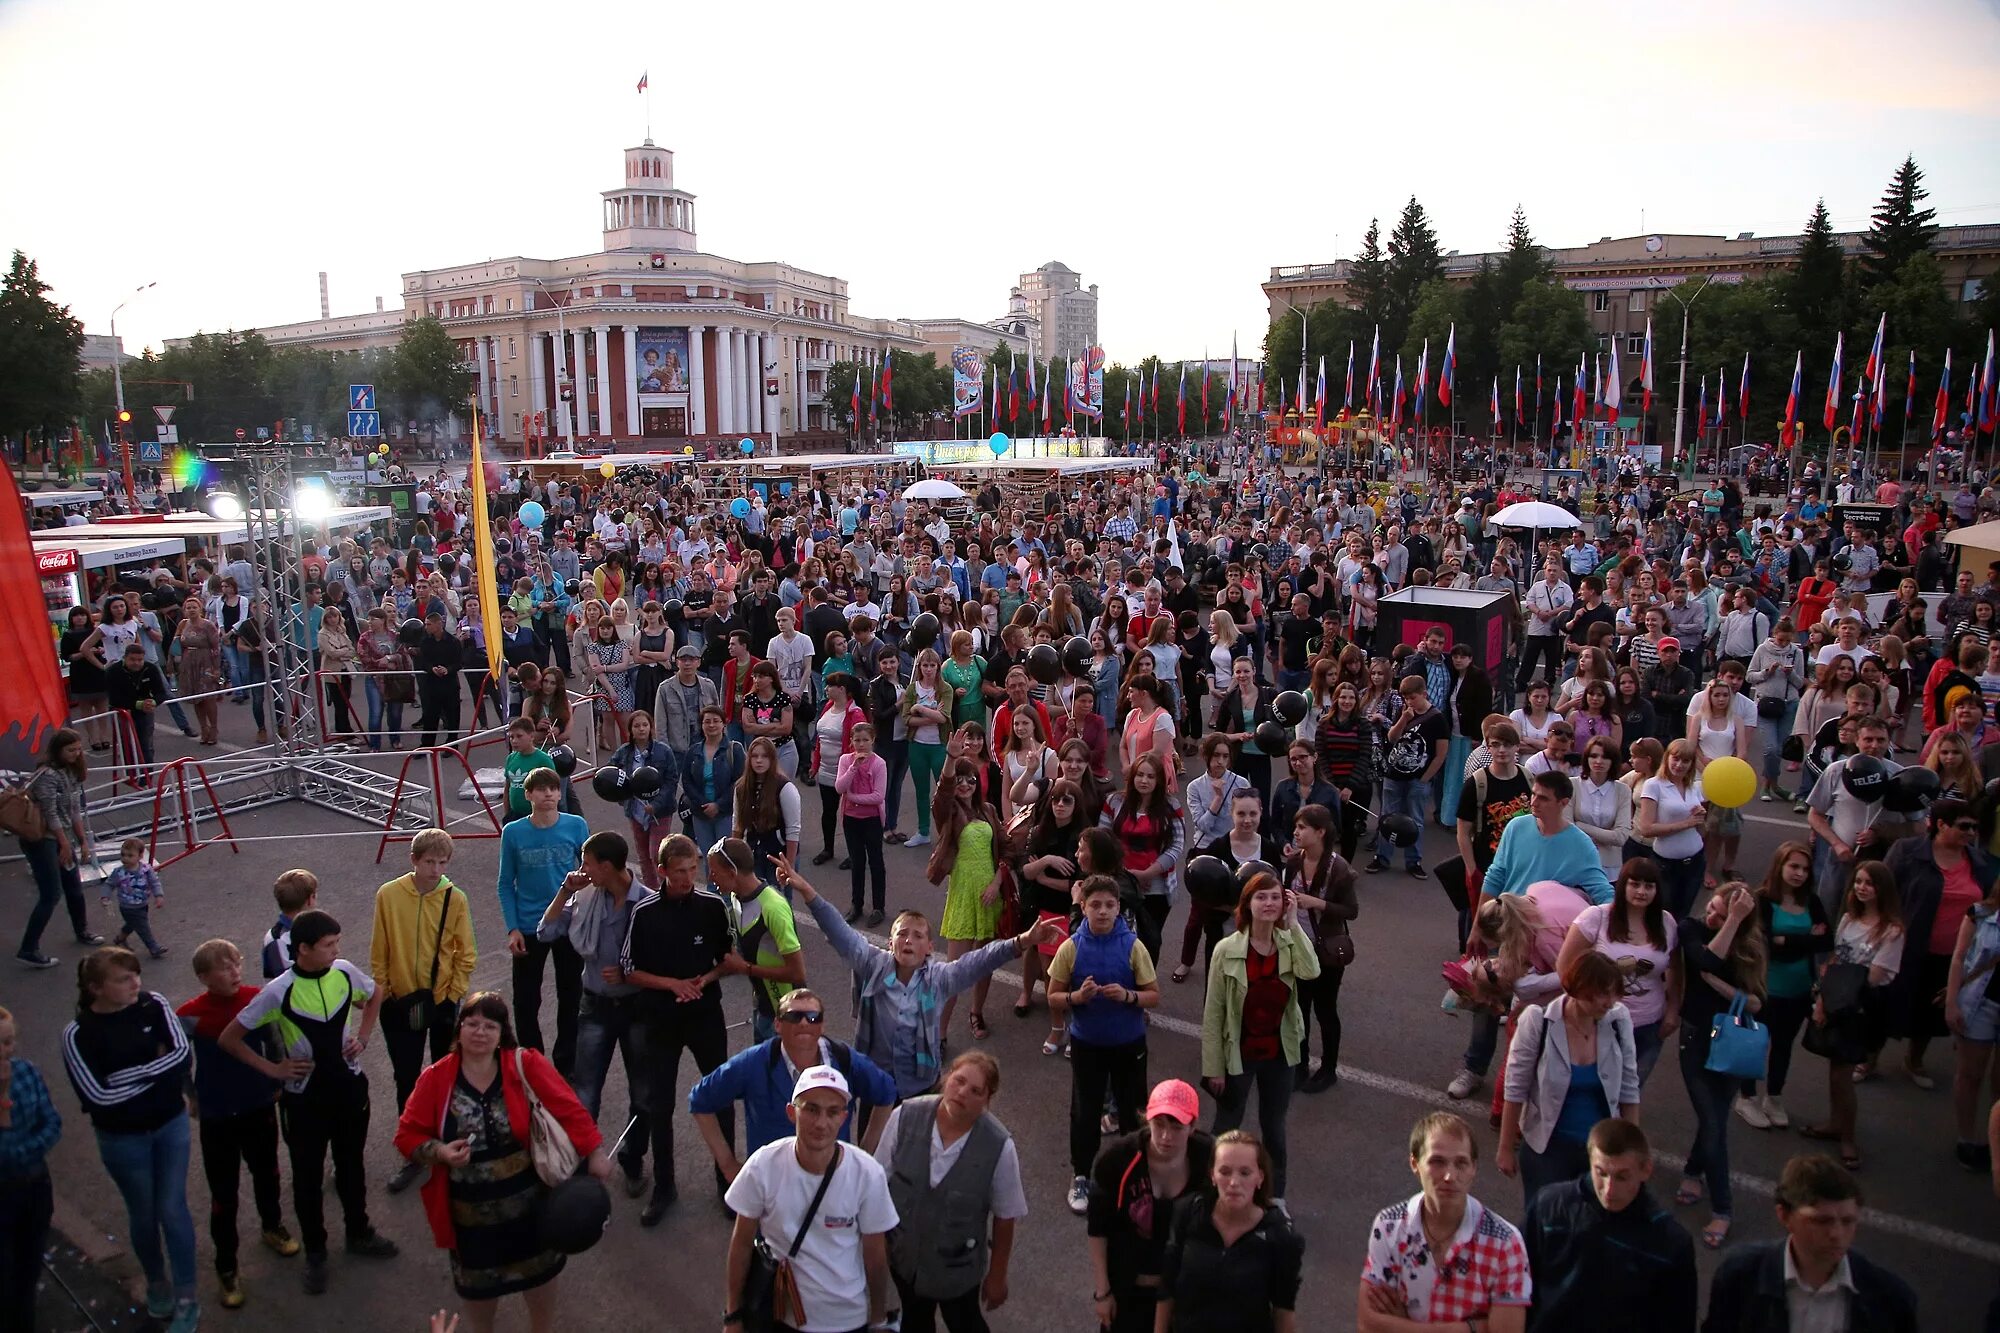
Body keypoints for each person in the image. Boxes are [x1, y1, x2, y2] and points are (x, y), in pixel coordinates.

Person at [393, 992, 611, 1333]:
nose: (480, 1032)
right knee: (479, 1299)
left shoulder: (525, 1064)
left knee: (539, 1282)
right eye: (472, 1024)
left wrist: (595, 1152)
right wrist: (440, 1152)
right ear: (459, 1029)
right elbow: (406, 1136)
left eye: (489, 1026)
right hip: (472, 1226)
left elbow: (569, 1108)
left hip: (532, 1213)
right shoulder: (435, 1079)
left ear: (501, 1033)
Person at [774, 851, 1063, 1102]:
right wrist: (807, 892)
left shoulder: (940, 978)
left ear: (929, 948)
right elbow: (840, 932)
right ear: (890, 943)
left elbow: (979, 961)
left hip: (922, 1088)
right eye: (901, 934)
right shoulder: (872, 964)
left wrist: (1023, 940)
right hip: (875, 1085)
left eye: (918, 935)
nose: (908, 940)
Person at [222, 910, 398, 1294]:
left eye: (337, 943)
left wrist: (364, 1037)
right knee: (307, 1177)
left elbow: (375, 993)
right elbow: (229, 1038)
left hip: (349, 1089)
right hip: (304, 1101)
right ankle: (316, 1252)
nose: (337, 950)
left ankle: (359, 1231)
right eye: (329, 945)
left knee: (351, 1166)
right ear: (303, 949)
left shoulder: (345, 972)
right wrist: (273, 1070)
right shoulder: (278, 990)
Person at [60, 948, 202, 1332]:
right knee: (143, 1212)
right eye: (123, 978)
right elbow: (96, 1097)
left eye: (135, 974)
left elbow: (180, 1056)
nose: (135, 983)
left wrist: (125, 1075)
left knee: (172, 1208)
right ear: (96, 988)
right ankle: (157, 1284)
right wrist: (153, 1074)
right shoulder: (79, 1033)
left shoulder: (152, 1006)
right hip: (122, 1140)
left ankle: (187, 1298)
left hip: (169, 1124)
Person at [722, 1065, 899, 1333]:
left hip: (847, 1320)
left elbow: (875, 1258)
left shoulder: (867, 1173)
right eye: (811, 1109)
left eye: (832, 1112)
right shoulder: (763, 1165)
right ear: (792, 1113)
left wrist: (877, 1321)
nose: (821, 1123)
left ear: (844, 1118)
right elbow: (742, 1243)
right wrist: (732, 1315)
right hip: (780, 1315)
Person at [176, 940, 298, 1311]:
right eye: (223, 968)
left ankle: (271, 1224)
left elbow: (275, 1042)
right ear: (202, 977)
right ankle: (226, 1266)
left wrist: (277, 1083)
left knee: (268, 1173)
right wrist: (191, 1096)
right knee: (223, 1194)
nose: (233, 973)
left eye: (236, 964)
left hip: (257, 1104)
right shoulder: (190, 1015)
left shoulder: (255, 999)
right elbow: (181, 1061)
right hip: (217, 1114)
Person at [620, 832, 734, 1225]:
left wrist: (703, 981)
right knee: (659, 1105)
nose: (688, 878)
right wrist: (672, 985)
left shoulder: (713, 907)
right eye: (680, 871)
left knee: (719, 1097)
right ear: (663, 871)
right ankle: (664, 1186)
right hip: (660, 1019)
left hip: (704, 1015)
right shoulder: (644, 913)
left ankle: (728, 1182)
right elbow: (629, 970)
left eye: (693, 869)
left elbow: (727, 959)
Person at [534, 828, 654, 1198]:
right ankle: (583, 1158)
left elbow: (665, 957)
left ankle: (633, 1160)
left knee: (642, 1093)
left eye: (587, 864)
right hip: (595, 1005)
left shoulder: (647, 904)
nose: (581, 871)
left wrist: (631, 971)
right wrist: (564, 891)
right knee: (585, 1090)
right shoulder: (584, 895)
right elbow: (546, 931)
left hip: (636, 1007)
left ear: (607, 866)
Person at [873, 1051, 1024, 1333]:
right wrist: (877, 1245)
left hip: (958, 1270)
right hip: (906, 1261)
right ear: (946, 1078)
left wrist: (997, 1275)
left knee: (965, 1323)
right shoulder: (904, 1116)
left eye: (976, 1090)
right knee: (916, 1322)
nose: (963, 1092)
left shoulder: (999, 1146)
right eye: (959, 1080)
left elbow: (1006, 1216)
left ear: (986, 1100)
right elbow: (878, 1183)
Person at [1200, 872, 1320, 1208]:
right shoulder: (1226, 950)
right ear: (1247, 904)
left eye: (1275, 897)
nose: (1269, 904)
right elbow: (1214, 1014)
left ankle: (1275, 1197)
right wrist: (1214, 1068)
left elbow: (1311, 971)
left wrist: (1294, 923)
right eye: (1260, 897)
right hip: (1239, 1053)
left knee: (1274, 1130)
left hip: (1280, 1053)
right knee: (1225, 1126)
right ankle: (1209, 1192)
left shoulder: (1288, 943)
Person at [690, 986, 897, 1177]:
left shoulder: (845, 1060)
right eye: (794, 1016)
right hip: (772, 1184)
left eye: (813, 1017)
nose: (805, 1022)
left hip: (830, 1181)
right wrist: (728, 1166)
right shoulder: (753, 1063)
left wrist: (865, 1156)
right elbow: (700, 1100)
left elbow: (886, 1092)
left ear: (822, 1025)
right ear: (777, 1025)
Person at [372, 827, 479, 1192]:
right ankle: (415, 1149)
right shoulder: (388, 895)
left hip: (442, 1003)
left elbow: (465, 952)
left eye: (442, 863)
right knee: (406, 1077)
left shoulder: (455, 898)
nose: (435, 870)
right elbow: (379, 948)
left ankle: (447, 1140)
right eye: (429, 862)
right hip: (398, 1003)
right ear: (413, 860)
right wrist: (386, 993)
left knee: (444, 1074)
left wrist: (452, 996)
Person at [1700, 1153, 1918, 1332]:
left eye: (1848, 1221)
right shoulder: (1740, 1275)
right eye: (1821, 1221)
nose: (1836, 1234)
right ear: (1784, 1216)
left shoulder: (1890, 1297)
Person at [1359, 1111, 1531, 1332]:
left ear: (1473, 1168)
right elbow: (1367, 1324)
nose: (1449, 1176)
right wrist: (1471, 1328)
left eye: (1460, 1163)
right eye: (1437, 1162)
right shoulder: (1388, 1225)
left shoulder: (1505, 1242)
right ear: (1414, 1163)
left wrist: (1401, 1325)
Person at [1050, 875, 1162, 1214]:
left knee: (1132, 1111)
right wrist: (1076, 997)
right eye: (1095, 905)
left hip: (1128, 1043)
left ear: (1119, 909)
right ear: (1082, 907)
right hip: (1088, 1045)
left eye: (1109, 905)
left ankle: (1134, 1175)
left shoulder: (1132, 946)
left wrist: (1129, 996)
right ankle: (1082, 1174)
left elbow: (1153, 995)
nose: (1102, 912)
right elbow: (1053, 996)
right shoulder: (1070, 947)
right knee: (1085, 1111)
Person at [1519, 1119, 1696, 1333]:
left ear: (1646, 1170)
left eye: (1622, 1177)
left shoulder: (1671, 1244)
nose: (1609, 1190)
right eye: (1601, 1173)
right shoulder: (1549, 1207)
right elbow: (1516, 1281)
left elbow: (1677, 1322)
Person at [1496, 952, 1642, 1203]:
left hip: (1600, 1152)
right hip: (1547, 1151)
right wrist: (1505, 1148)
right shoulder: (1537, 1021)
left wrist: (1633, 1151)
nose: (1610, 1002)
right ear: (1579, 988)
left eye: (1614, 993)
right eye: (1602, 994)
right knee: (1546, 1226)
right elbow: (1515, 1088)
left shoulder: (1619, 1020)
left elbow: (1629, 1087)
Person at [1882, 796, 1997, 1093]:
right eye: (1964, 826)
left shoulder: (1979, 863)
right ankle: (1868, 1058)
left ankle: (1914, 1060)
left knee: (1930, 1011)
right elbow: (1884, 889)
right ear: (1941, 825)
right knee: (1887, 1002)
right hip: (1906, 946)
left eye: (1974, 827)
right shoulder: (1908, 852)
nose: (1971, 833)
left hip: (1953, 954)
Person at [1674, 882, 1766, 1250]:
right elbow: (1707, 960)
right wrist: (1731, 921)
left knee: (1715, 1117)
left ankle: (1694, 1169)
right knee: (1712, 1119)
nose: (1710, 916)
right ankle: (1723, 1207)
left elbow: (1758, 1003)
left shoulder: (1751, 948)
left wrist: (1721, 987)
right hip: (1695, 1039)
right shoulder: (1690, 928)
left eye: (1721, 915)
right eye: (1711, 908)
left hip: (1732, 1041)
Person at [1798, 861, 1904, 1171]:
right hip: (1835, 1000)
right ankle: (1835, 1123)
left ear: (1882, 889)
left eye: (1869, 883)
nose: (1861, 887)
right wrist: (1822, 999)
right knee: (1835, 1068)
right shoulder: (1847, 919)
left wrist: (1837, 986)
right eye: (1858, 881)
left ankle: (1847, 1135)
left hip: (1858, 1008)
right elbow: (1834, 958)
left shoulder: (1892, 930)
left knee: (1842, 1074)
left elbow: (1875, 976)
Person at [1085, 1080, 1215, 1333]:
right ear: (1147, 1119)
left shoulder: (1210, 1159)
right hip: (1129, 1292)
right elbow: (1098, 1229)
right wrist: (1103, 1293)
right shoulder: (1117, 1160)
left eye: (1176, 1127)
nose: (1166, 1136)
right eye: (1159, 1124)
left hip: (1185, 1294)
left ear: (1193, 1127)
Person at [495, 766, 588, 1089]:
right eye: (541, 789)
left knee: (571, 995)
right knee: (526, 1000)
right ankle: (531, 1061)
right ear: (528, 795)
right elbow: (505, 884)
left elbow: (589, 871)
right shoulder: (514, 832)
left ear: (560, 794)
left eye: (553, 789)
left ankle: (566, 1062)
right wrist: (512, 929)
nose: (548, 794)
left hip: (568, 924)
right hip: (529, 925)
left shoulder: (577, 826)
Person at [1155, 1130, 1304, 1333]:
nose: (1234, 1183)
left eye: (1244, 1173)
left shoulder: (1280, 1237)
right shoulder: (1188, 1213)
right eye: (1225, 1172)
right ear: (1213, 1176)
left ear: (1260, 1178)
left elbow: (1283, 1310)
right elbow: (1167, 1288)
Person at [15, 727, 101, 969]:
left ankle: (82, 930)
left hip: (59, 837)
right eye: (70, 750)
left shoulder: (70, 772)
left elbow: (74, 810)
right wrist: (66, 844)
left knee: (73, 887)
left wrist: (82, 840)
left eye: (78, 749)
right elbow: (51, 814)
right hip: (42, 839)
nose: (76, 754)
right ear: (58, 750)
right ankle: (29, 948)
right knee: (51, 894)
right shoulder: (47, 775)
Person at [707, 836, 806, 1041]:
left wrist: (746, 969)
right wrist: (705, 979)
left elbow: (797, 973)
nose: (710, 878)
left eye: (714, 872)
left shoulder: (773, 907)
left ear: (732, 872)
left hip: (786, 1016)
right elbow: (742, 957)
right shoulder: (736, 898)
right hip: (762, 1009)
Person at [0, 1005, 62, 1332]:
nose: (7, 1051)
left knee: (28, 1267)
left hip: (35, 1187)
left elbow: (52, 1123)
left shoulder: (26, 1071)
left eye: (9, 1042)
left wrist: (24, 1152)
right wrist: (4, 1104)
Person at [1370, 675, 1448, 878]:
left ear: (1424, 694)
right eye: (1406, 698)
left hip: (1418, 778)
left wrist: (1425, 779)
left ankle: (1413, 861)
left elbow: (1441, 754)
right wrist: (1404, 718)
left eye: (1413, 697)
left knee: (1415, 821)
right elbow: (1392, 737)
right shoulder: (1406, 713)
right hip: (1394, 774)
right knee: (1387, 817)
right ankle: (1382, 857)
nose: (1409, 702)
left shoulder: (1437, 718)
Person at [609, 708, 681, 889]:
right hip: (635, 809)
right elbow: (612, 774)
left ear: (651, 727)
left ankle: (668, 887)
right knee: (642, 854)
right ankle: (651, 891)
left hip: (660, 811)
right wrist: (622, 797)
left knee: (656, 853)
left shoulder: (663, 751)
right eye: (636, 725)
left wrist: (655, 805)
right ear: (630, 729)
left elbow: (671, 780)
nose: (641, 729)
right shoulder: (624, 752)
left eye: (645, 725)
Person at [1637, 739, 1708, 918]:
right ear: (1667, 758)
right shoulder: (1654, 785)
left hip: (1695, 861)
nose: (1679, 765)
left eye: (1685, 761)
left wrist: (1700, 819)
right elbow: (1646, 828)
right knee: (1663, 915)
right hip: (1665, 865)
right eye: (1675, 759)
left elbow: (1700, 830)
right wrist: (1686, 823)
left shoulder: (1694, 787)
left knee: (1684, 914)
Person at [101, 837, 168, 959]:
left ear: (140, 856)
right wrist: (105, 896)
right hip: (127, 906)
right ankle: (153, 947)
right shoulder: (119, 872)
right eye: (123, 855)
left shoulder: (146, 870)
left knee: (133, 924)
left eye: (130, 855)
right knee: (143, 927)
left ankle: (120, 938)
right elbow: (109, 884)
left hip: (142, 904)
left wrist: (158, 895)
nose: (125, 858)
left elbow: (154, 882)